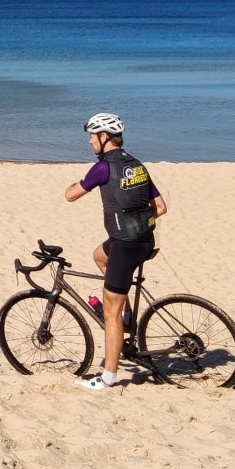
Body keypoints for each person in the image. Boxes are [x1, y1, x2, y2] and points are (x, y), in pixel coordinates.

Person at [64, 112, 167, 390]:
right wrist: (139, 225)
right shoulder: (137, 166)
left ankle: (108, 377)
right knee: (99, 255)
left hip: (125, 245)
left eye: (92, 137)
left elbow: (71, 195)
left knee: (109, 311)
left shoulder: (103, 167)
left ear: (104, 137)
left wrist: (73, 184)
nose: (90, 143)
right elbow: (161, 208)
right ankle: (128, 317)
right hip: (144, 241)